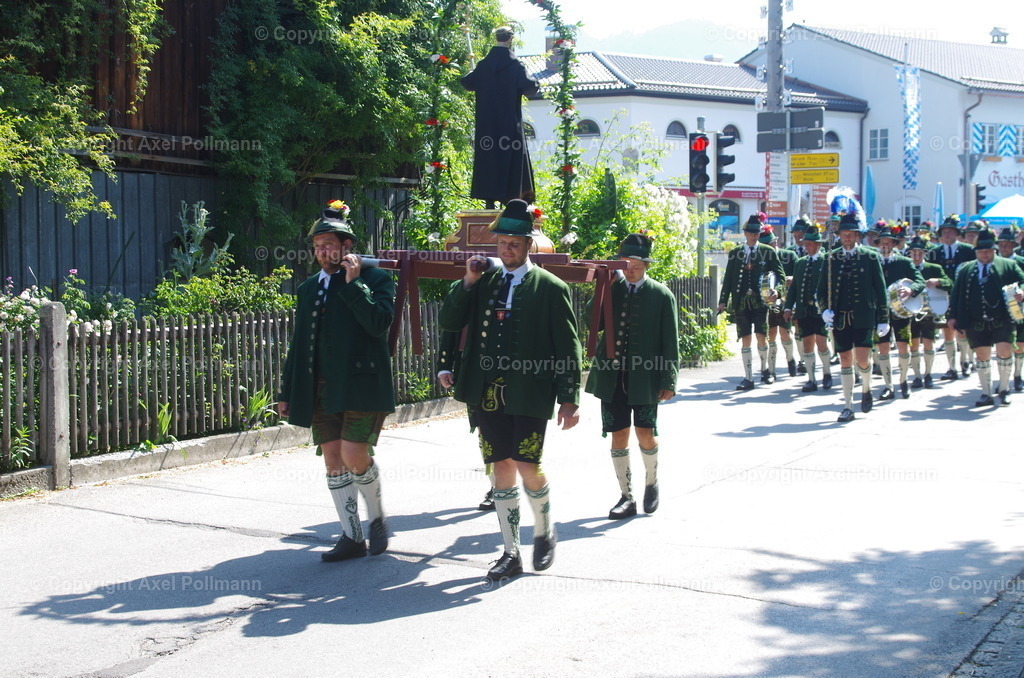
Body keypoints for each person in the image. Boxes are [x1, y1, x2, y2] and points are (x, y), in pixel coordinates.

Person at [439, 199, 581, 581]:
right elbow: (449, 319)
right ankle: (511, 551)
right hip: (487, 391)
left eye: (515, 243)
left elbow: (568, 346)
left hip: (531, 391)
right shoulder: (483, 280)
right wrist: (467, 281)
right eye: (502, 242)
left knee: (527, 465)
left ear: (529, 244)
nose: (507, 249)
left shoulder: (550, 288)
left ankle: (544, 529)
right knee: (500, 466)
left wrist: (569, 398)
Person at [277, 200, 395, 562]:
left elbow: (379, 324)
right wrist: (286, 391)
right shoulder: (308, 288)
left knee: (353, 453)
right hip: (319, 389)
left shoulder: (376, 279)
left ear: (347, 246)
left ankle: (377, 517)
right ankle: (351, 536)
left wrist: (354, 283)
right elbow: (299, 344)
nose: (322, 252)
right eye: (317, 246)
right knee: (332, 459)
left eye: (329, 244)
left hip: (361, 385)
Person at [585, 233, 678, 520]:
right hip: (612, 377)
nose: (631, 270)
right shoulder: (612, 289)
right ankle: (627, 497)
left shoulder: (661, 295)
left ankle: (651, 481)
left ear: (646, 265)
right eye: (626, 264)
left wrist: (668, 380)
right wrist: (604, 289)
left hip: (646, 378)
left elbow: (670, 341)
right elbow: (592, 322)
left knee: (646, 433)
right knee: (618, 434)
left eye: (637, 265)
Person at [816, 212, 889, 422]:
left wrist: (883, 318)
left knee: (863, 359)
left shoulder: (870, 256)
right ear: (839, 235)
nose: (847, 237)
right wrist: (824, 310)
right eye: (843, 234)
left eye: (850, 234)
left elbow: (880, 289)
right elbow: (821, 290)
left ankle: (866, 388)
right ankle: (848, 405)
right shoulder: (831, 257)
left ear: (857, 235)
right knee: (846, 359)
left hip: (864, 316)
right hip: (840, 318)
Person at [461, 26, 539, 208]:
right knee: (511, 159)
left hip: (487, 126)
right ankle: (511, 200)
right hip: (509, 124)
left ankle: (489, 200)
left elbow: (467, 82)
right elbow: (530, 86)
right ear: (511, 39)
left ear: (495, 38)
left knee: (489, 158)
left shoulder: (483, 66)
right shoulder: (516, 66)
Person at [948, 230, 1024, 406]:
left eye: (988, 251)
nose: (984, 255)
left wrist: (1022, 291)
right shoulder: (966, 269)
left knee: (1005, 352)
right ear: (976, 252)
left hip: (1003, 318)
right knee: (982, 356)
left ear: (994, 250)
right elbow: (956, 294)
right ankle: (986, 393)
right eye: (981, 252)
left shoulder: (1008, 265)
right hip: (976, 320)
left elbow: (1023, 280)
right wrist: (952, 316)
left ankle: (1004, 390)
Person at [717, 213, 785, 390]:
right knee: (745, 338)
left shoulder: (768, 251)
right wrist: (723, 301)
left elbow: (780, 275)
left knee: (761, 336)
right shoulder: (735, 253)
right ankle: (748, 378)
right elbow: (729, 279)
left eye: (756, 233)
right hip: (741, 302)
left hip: (760, 302)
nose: (754, 236)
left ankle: (765, 370)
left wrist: (777, 291)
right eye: (751, 233)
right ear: (745, 233)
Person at [436, 330, 496, 511]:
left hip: (513, 364)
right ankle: (497, 486)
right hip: (474, 367)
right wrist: (445, 365)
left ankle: (511, 482)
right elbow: (452, 321)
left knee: (513, 431)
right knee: (485, 432)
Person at [875, 225, 925, 399]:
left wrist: (911, 290)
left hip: (901, 311)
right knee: (882, 347)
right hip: (879, 312)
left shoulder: (904, 262)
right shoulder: (872, 261)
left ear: (894, 244)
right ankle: (888, 385)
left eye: (888, 242)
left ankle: (903, 381)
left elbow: (920, 281)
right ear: (878, 244)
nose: (885, 245)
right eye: (882, 242)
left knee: (903, 345)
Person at [784, 224, 832, 392]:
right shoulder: (800, 262)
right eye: (805, 244)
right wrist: (788, 307)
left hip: (821, 311)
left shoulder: (826, 261)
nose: (807, 247)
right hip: (804, 310)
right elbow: (794, 288)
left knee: (822, 343)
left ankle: (827, 373)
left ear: (818, 245)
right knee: (807, 344)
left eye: (810, 244)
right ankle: (811, 379)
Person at [928, 216, 976, 380]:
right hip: (942, 296)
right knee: (947, 332)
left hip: (963, 296)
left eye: (950, 231)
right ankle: (952, 367)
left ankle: (966, 362)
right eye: (944, 232)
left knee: (962, 331)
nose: (947, 234)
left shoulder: (968, 250)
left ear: (957, 233)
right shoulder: (934, 252)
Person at [906, 236, 952, 389]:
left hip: (929, 311)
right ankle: (917, 376)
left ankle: (928, 374)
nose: (916, 256)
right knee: (913, 344)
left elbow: (950, 283)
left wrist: (938, 281)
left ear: (924, 253)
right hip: (911, 311)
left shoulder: (934, 268)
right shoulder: (906, 267)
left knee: (928, 343)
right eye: (913, 253)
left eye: (919, 253)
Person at [762, 225, 799, 377]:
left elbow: (801, 275)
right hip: (768, 300)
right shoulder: (762, 258)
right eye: (766, 245)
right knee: (770, 333)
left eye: (771, 243)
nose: (770, 247)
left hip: (785, 300)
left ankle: (790, 359)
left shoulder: (789, 255)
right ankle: (771, 369)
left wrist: (792, 279)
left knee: (785, 333)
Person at [996, 228, 1024, 391]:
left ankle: (1018, 374)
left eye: (1007, 244)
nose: (1004, 247)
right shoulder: (994, 262)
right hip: (1000, 309)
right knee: (1002, 345)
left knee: (1020, 343)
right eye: (1001, 245)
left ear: (1013, 245)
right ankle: (1003, 380)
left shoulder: (1021, 261)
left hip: (1020, 306)